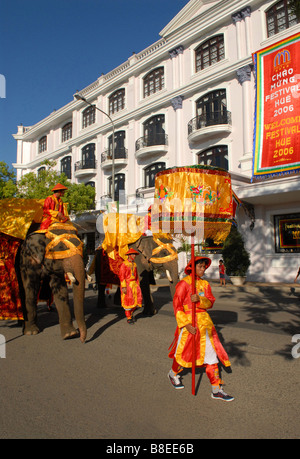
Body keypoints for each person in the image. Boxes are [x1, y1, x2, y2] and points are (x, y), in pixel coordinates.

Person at [168, 256, 234, 402]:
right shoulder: (184, 284)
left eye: (204, 267)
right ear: (192, 267)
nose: (203, 269)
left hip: (205, 325)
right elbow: (177, 306)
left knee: (211, 356)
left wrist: (200, 299)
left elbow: (210, 302)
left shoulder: (205, 284)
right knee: (183, 353)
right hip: (189, 324)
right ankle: (173, 374)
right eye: (200, 267)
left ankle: (216, 389)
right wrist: (186, 324)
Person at [119, 248, 142, 324]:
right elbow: (122, 276)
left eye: (135, 254)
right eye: (133, 254)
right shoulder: (124, 264)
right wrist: (124, 287)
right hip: (128, 285)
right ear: (129, 255)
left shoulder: (134, 264)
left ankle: (131, 315)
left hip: (134, 285)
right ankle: (128, 317)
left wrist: (137, 285)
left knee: (135, 301)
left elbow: (136, 276)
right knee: (128, 302)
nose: (134, 256)